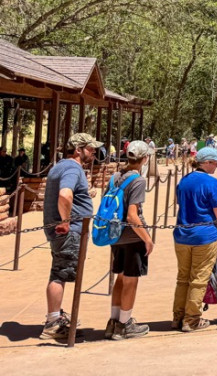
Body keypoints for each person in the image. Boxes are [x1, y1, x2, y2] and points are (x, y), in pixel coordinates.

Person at [41, 133, 100, 340]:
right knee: (60, 273)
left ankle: (55, 317)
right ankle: (53, 323)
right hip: (69, 231)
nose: (93, 152)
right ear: (78, 149)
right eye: (90, 148)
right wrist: (65, 222)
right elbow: (65, 194)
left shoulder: (60, 166)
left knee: (59, 271)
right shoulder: (72, 168)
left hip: (64, 230)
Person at [172, 147, 217, 332]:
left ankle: (178, 316)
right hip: (204, 236)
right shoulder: (212, 183)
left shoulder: (184, 181)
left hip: (182, 235)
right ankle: (192, 319)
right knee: (199, 278)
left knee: (183, 278)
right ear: (206, 163)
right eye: (215, 162)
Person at [106, 141, 155, 340]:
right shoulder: (138, 181)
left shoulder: (115, 177)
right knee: (131, 280)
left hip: (115, 236)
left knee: (120, 277)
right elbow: (132, 216)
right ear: (144, 159)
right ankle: (125, 324)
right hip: (132, 236)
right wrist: (147, 239)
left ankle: (114, 321)